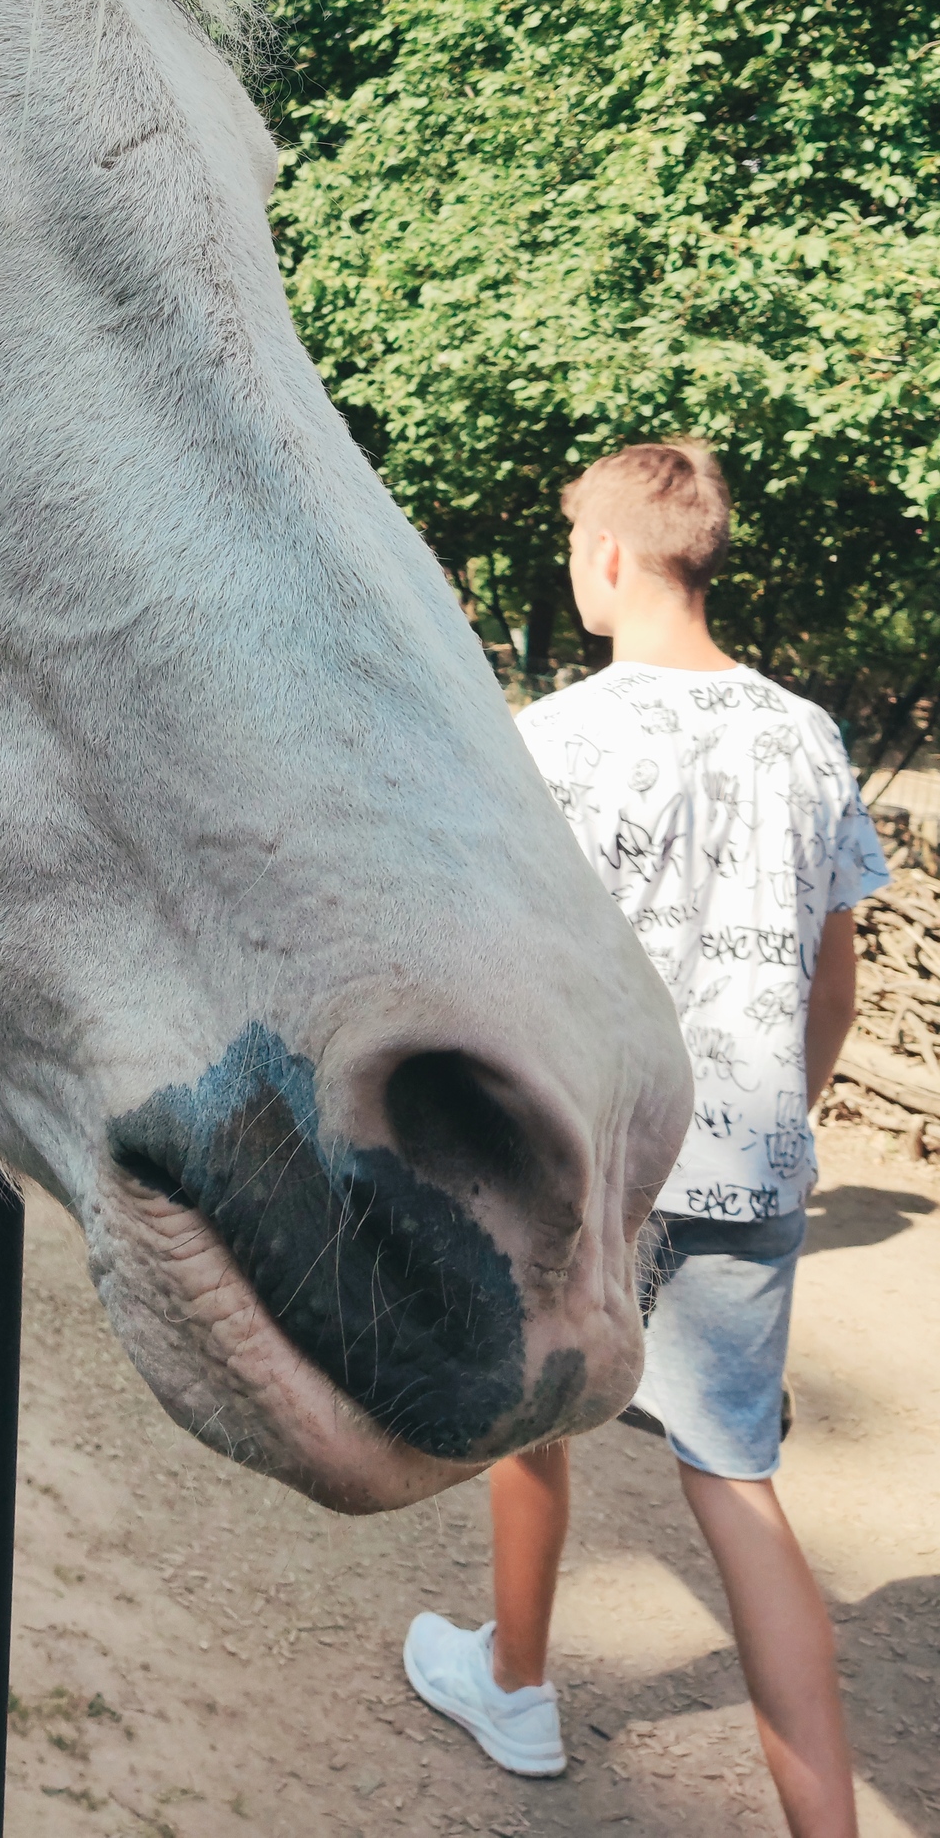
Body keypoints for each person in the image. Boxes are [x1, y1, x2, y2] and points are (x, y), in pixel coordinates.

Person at [403, 440, 889, 1838]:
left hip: (587, 1151)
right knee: (736, 1483)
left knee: (534, 1411)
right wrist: (777, 1115)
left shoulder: (555, 739)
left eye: (573, 551)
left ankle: (518, 1681)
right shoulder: (807, 736)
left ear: (609, 559)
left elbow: (503, 963)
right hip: (746, 1159)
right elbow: (835, 971)